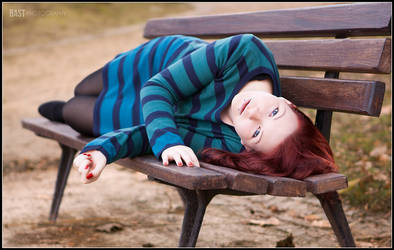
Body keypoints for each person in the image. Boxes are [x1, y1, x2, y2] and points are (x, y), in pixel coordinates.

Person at [38, 34, 338, 184]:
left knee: (73, 112)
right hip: (158, 67)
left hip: (154, 117)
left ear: (248, 146)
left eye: (258, 132)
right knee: (84, 88)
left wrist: (102, 151)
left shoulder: (231, 141)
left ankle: (61, 110)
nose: (253, 113)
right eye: (275, 112)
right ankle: (68, 104)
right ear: (288, 103)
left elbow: (146, 134)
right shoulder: (246, 52)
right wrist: (168, 142)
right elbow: (156, 89)